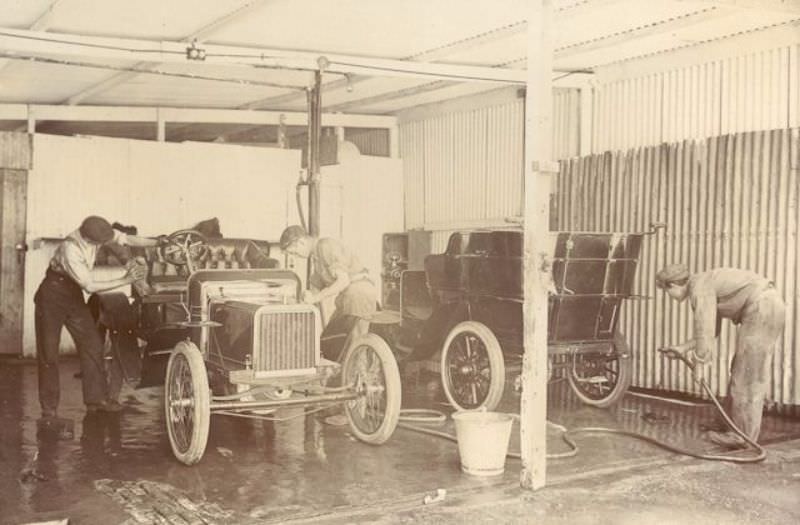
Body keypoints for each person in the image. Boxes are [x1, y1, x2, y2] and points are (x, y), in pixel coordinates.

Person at [35, 215, 159, 418]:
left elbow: (126, 239)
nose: (106, 244)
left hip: (73, 294)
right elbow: (90, 286)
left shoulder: (99, 231)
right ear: (90, 240)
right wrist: (125, 279)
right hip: (51, 295)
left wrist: (159, 242)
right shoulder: (71, 249)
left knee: (92, 345)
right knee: (49, 353)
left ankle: (96, 400)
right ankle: (49, 409)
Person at [655, 264, 786, 449]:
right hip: (766, 305)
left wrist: (699, 365)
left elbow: (705, 331)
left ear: (673, 285)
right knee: (739, 369)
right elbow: (712, 330)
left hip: (762, 308)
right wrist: (682, 348)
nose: (670, 297)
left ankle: (742, 437)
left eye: (667, 291)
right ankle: (729, 425)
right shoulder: (703, 283)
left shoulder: (699, 289)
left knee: (746, 377)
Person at [279, 225, 376, 362]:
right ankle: (342, 377)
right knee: (332, 338)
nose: (296, 257)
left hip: (359, 293)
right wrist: (305, 297)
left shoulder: (325, 246)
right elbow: (315, 285)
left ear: (301, 242)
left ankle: (360, 380)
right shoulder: (316, 257)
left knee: (356, 344)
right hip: (346, 298)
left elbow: (343, 281)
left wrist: (316, 297)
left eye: (294, 252)